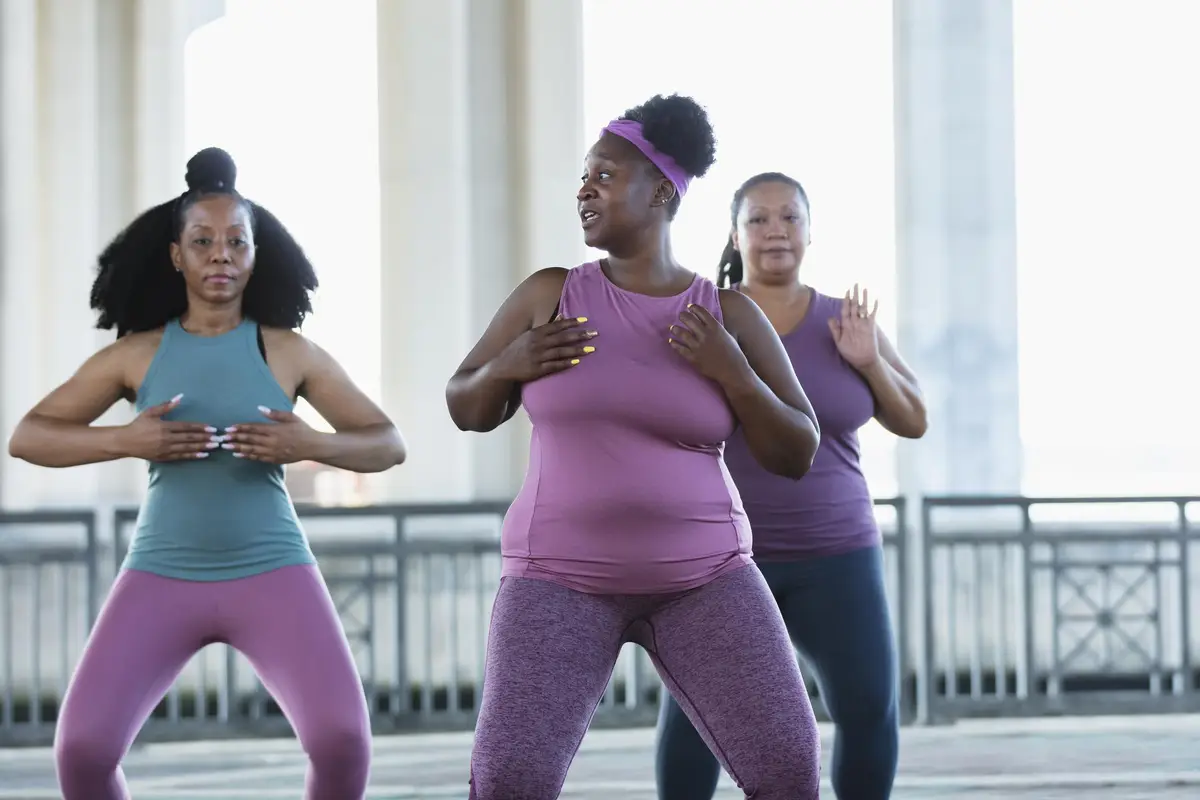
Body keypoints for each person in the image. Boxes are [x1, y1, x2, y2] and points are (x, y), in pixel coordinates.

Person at [446, 95, 824, 799]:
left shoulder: (728, 313)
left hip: (706, 578)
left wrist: (733, 373)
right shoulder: (549, 296)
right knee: (511, 780)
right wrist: (509, 363)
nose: (585, 190)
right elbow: (466, 404)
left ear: (659, 191)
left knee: (788, 768)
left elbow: (797, 449)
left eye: (605, 175)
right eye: (583, 177)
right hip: (556, 579)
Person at [7, 147, 406, 800]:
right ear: (176, 255)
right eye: (202, 241)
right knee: (82, 750)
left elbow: (386, 443)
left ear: (255, 254)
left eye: (235, 241)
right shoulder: (136, 355)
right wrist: (128, 439)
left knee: (342, 742)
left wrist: (307, 441)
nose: (220, 254)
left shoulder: (287, 352)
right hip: (162, 569)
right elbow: (29, 437)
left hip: (272, 566)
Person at [655, 172, 929, 800]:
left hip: (838, 552)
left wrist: (869, 361)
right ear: (734, 232)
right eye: (758, 219)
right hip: (725, 558)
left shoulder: (845, 321)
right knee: (696, 715)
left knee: (866, 705)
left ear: (809, 231)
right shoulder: (705, 321)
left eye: (789, 218)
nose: (775, 231)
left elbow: (912, 419)